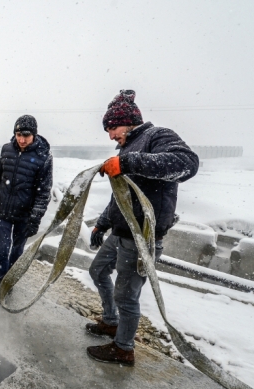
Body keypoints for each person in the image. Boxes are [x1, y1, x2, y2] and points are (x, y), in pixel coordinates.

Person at [86, 90, 199, 366]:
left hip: (142, 238)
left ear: (127, 121)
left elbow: (187, 164)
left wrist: (125, 163)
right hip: (120, 231)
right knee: (98, 270)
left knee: (126, 294)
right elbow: (121, 196)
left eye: (112, 129)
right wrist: (102, 223)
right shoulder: (128, 146)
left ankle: (123, 348)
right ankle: (112, 322)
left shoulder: (157, 136)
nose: (110, 136)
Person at [0, 115, 53, 284]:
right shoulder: (7, 149)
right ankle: (1, 283)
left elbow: (43, 191)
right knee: (1, 250)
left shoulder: (43, 157)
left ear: (34, 135)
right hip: (4, 210)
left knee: (16, 252)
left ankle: (10, 283)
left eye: (26, 136)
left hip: (25, 215)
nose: (21, 139)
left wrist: (35, 218)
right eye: (18, 135)